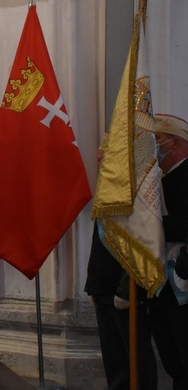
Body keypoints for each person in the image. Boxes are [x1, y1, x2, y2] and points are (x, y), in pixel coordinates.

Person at [85, 134, 158, 390]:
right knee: (114, 360)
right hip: (103, 285)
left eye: (105, 159)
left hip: (124, 290)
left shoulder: (134, 196)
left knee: (135, 358)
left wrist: (128, 286)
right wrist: (93, 285)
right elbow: (100, 243)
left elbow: (139, 244)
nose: (100, 163)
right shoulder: (107, 194)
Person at [151, 114, 188, 388]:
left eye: (157, 140)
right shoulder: (163, 180)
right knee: (172, 357)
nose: (153, 146)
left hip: (183, 283)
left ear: (174, 144)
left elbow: (181, 225)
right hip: (163, 284)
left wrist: (146, 223)